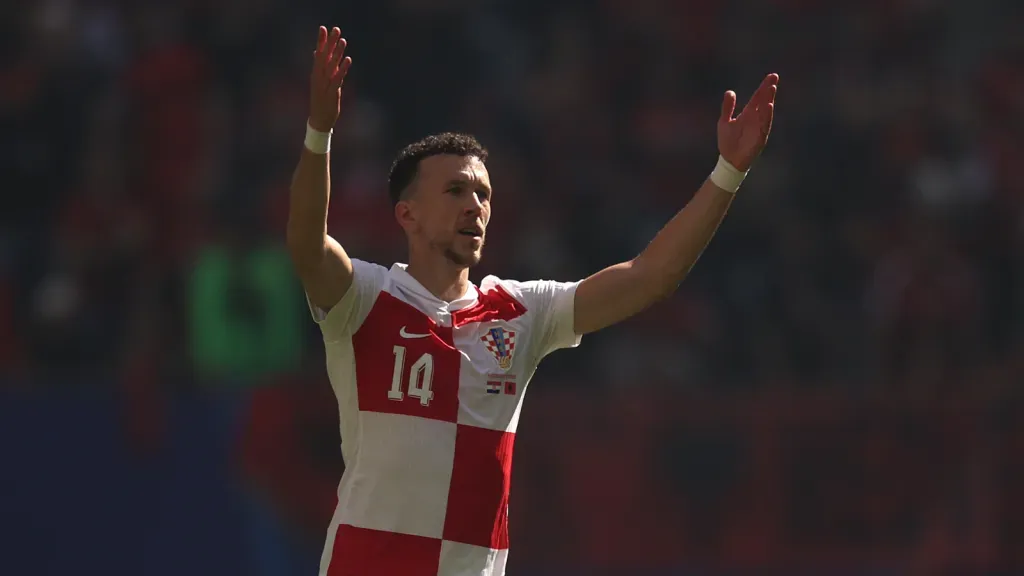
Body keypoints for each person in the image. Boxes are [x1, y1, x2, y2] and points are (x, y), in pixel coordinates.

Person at [287, 25, 778, 576]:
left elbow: (650, 277)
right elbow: (306, 245)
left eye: (483, 194)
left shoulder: (521, 313)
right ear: (408, 214)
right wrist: (318, 133)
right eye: (455, 191)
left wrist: (729, 172)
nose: (474, 204)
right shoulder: (366, 299)